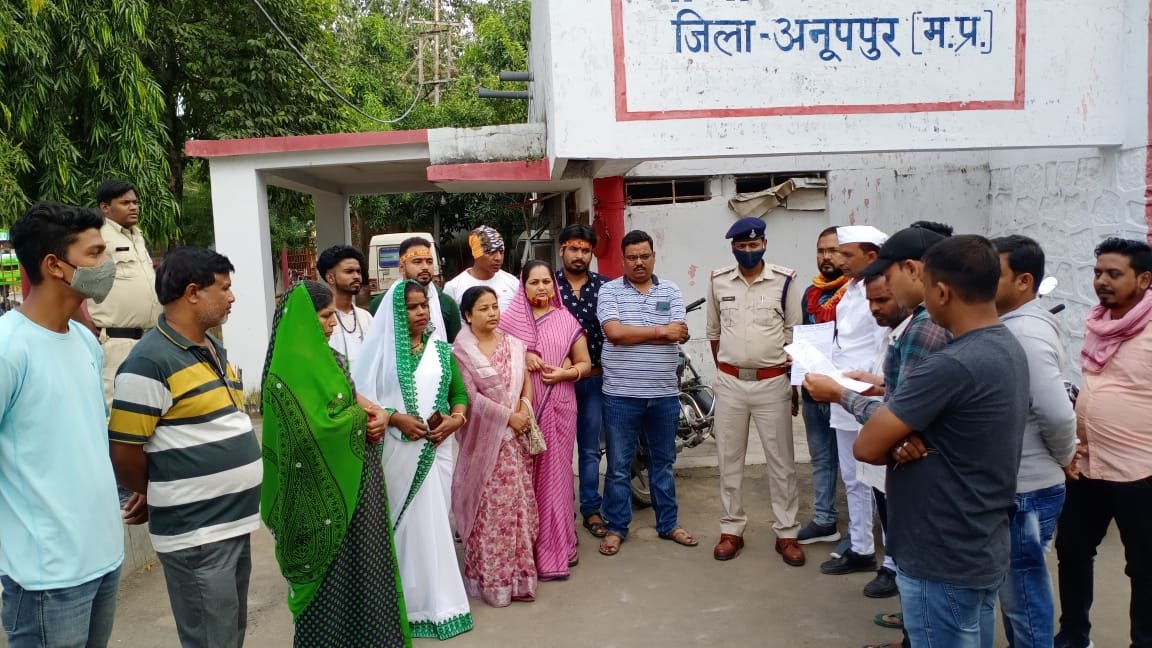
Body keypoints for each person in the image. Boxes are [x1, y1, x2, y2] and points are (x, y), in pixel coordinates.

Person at [854, 235, 1029, 648]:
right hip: (979, 542)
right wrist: (901, 436)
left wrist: (890, 431)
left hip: (940, 551)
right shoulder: (1007, 347)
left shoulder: (950, 366)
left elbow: (866, 447)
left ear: (942, 292)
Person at [108, 246, 263, 648]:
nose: (232, 297)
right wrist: (156, 488)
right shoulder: (149, 362)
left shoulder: (212, 348)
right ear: (193, 292)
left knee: (227, 634)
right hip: (197, 533)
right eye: (224, 288)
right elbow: (124, 451)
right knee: (211, 638)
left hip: (231, 523)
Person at [260, 281, 410, 647]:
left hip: (359, 481)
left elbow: (354, 400)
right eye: (325, 316)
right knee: (329, 579)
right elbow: (308, 432)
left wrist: (379, 413)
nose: (332, 324)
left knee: (365, 563)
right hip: (314, 497)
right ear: (303, 319)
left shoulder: (334, 360)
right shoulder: (284, 374)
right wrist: (359, 420)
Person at [1, 203, 124, 648]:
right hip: (46, 576)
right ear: (54, 265)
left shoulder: (84, 342)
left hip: (103, 556)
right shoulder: (9, 348)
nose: (107, 265)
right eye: (94, 254)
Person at [352, 280, 473, 640]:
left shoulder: (441, 350)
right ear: (394, 313)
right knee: (402, 525)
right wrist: (393, 417)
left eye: (423, 305)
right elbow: (359, 397)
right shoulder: (378, 353)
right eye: (411, 307)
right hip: (395, 452)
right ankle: (399, 604)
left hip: (436, 449)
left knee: (434, 523)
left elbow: (459, 393)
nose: (421, 312)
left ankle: (439, 604)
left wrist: (456, 420)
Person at [1055, 237, 1152, 648]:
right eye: (1097, 273)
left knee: (1144, 567)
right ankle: (1073, 635)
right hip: (1088, 463)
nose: (1101, 282)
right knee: (1072, 550)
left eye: (1114, 274)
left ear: (1144, 279)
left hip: (1140, 470)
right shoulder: (1098, 322)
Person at [988, 235, 1078, 648]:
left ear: (1024, 281)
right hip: (1021, 482)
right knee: (1018, 588)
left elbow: (1056, 411)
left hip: (1028, 486)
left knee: (1023, 592)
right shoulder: (1016, 324)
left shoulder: (1025, 333)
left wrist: (1066, 455)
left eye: (994, 273)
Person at [705, 217, 804, 565]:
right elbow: (714, 333)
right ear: (733, 248)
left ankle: (787, 532)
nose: (749, 251)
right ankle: (731, 529)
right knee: (729, 460)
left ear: (764, 244)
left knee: (782, 462)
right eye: (742, 246)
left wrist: (792, 384)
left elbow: (794, 335)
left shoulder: (784, 280)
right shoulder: (718, 281)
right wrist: (728, 371)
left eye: (754, 244)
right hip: (731, 383)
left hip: (772, 382)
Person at [596, 229, 696, 557]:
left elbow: (678, 332)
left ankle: (669, 524)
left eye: (644, 256)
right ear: (623, 260)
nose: (639, 262)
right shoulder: (609, 291)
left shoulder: (671, 290)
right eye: (632, 257)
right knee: (619, 466)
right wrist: (660, 331)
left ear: (653, 256)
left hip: (663, 395)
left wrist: (661, 333)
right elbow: (615, 333)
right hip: (621, 395)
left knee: (663, 463)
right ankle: (616, 527)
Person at [500, 260, 592, 579]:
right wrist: (522, 355)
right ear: (522, 286)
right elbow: (496, 357)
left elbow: (585, 363)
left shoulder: (566, 319)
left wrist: (567, 373)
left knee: (558, 475)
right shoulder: (510, 322)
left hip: (561, 403)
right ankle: (527, 549)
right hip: (524, 409)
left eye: (546, 281)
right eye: (534, 282)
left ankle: (559, 546)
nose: (542, 287)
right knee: (523, 478)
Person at [451, 286, 539, 607]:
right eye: (483, 308)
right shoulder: (462, 351)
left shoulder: (514, 345)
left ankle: (520, 580)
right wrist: (508, 417)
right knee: (489, 513)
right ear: (467, 315)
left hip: (516, 443)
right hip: (485, 446)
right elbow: (471, 398)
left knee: (517, 510)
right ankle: (491, 582)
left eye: (494, 306)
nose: (492, 313)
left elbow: (526, 382)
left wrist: (524, 409)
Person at [820, 225, 889, 576]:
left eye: (846, 254)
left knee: (881, 482)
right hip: (843, 392)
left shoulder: (882, 292)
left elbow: (883, 348)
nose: (839, 260)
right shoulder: (849, 289)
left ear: (871, 255)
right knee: (852, 476)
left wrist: (873, 385)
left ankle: (893, 562)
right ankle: (861, 548)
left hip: (870, 394)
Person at [84, 180, 163, 407]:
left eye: (135, 202)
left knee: (149, 406)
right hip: (116, 341)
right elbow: (78, 283)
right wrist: (84, 322)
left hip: (149, 339)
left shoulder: (137, 236)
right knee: (118, 408)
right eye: (125, 203)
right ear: (105, 207)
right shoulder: (98, 237)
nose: (133, 207)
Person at [554, 223, 611, 539]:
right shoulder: (547, 285)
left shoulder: (606, 287)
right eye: (574, 249)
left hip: (594, 380)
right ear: (562, 249)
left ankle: (591, 509)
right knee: (558, 452)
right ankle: (561, 510)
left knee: (590, 450)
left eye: (585, 250)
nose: (579, 255)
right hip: (557, 382)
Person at [797, 225, 849, 547]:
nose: (826, 257)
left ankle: (860, 534)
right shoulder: (811, 293)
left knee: (856, 467)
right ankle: (824, 519)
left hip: (845, 393)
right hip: (813, 390)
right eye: (821, 250)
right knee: (821, 459)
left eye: (834, 250)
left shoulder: (857, 292)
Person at [369, 236, 462, 342]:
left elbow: (455, 347)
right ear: (402, 267)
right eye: (417, 262)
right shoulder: (381, 304)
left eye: (429, 262)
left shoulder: (447, 303)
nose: (425, 267)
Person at [318, 244, 374, 368]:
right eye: (349, 271)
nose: (356, 276)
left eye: (358, 271)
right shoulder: (321, 318)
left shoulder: (366, 317)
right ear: (331, 278)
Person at [442, 225, 520, 309]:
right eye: (491, 252)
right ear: (476, 254)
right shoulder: (454, 288)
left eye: (501, 252)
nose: (498, 258)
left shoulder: (513, 283)